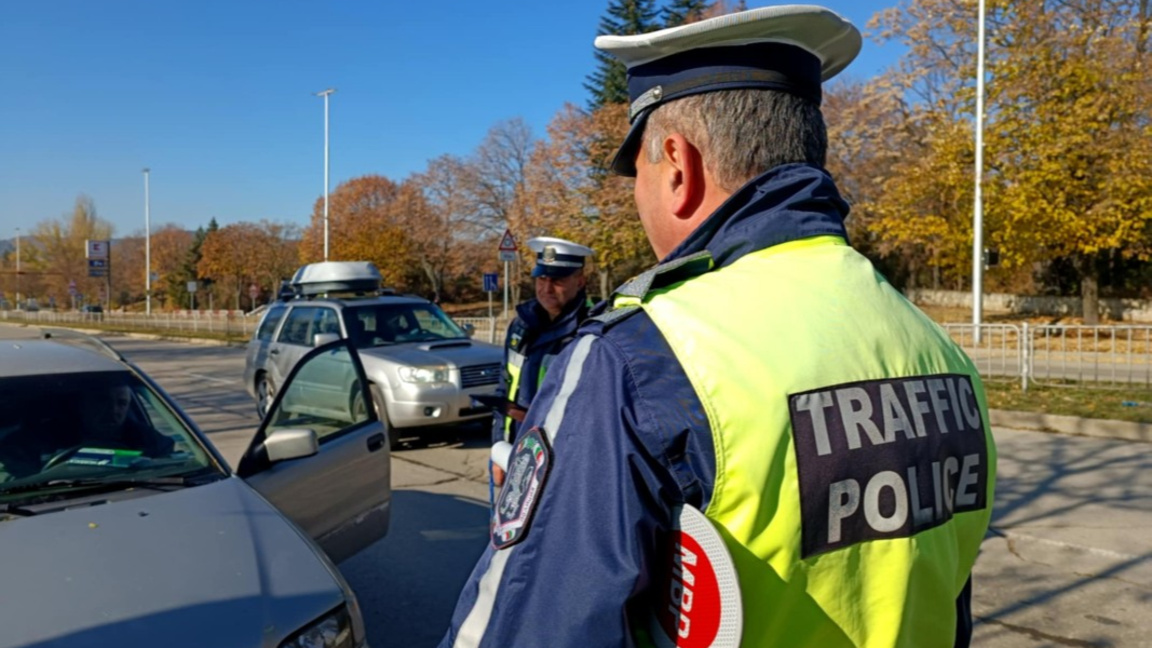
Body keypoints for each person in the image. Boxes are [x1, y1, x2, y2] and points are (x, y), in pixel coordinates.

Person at [441, 6, 996, 648]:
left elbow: (532, 629)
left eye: (637, 173)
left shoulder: (637, 357)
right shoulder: (937, 348)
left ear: (678, 165)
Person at [489, 236, 594, 487]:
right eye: (541, 279)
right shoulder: (520, 326)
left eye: (557, 280)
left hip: (562, 463)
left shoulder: (591, 333)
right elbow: (505, 388)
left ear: (580, 281)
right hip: (514, 453)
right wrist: (497, 449)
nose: (546, 289)